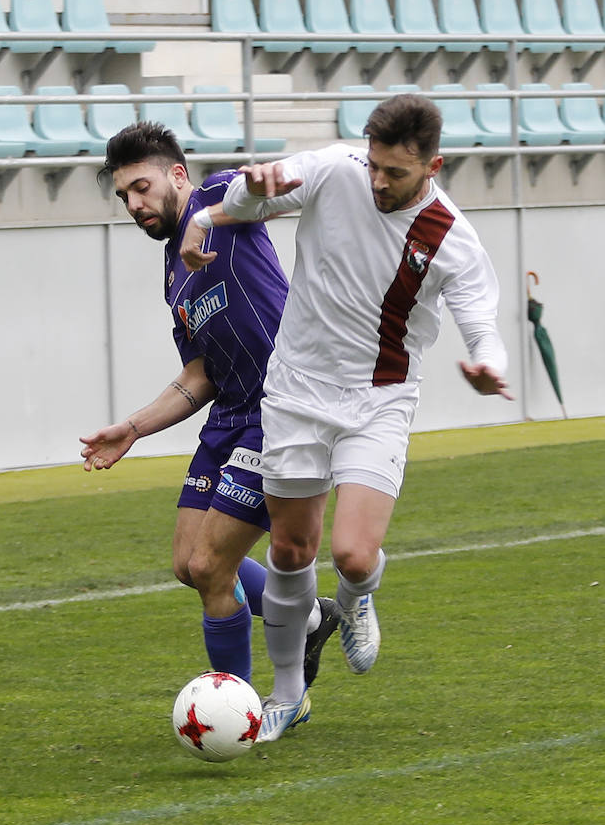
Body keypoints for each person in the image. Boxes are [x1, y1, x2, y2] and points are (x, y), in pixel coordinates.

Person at [180, 93, 514, 742]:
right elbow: (252, 204)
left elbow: (481, 323)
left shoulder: (451, 239)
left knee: (352, 554)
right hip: (297, 394)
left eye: (396, 173)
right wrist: (252, 189)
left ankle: (357, 596)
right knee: (289, 549)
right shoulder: (337, 169)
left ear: (432, 166)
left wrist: (487, 365)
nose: (379, 182)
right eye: (375, 166)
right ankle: (286, 694)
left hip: (378, 402)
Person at [79, 121, 340, 690]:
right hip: (230, 415)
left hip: (280, 408)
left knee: (209, 566)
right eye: (124, 195)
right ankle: (313, 616)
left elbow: (288, 192)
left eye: (142, 187)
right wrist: (133, 428)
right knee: (186, 566)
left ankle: (236, 705)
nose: (133, 203)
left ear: (177, 174)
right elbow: (200, 375)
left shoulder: (222, 197)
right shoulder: (175, 274)